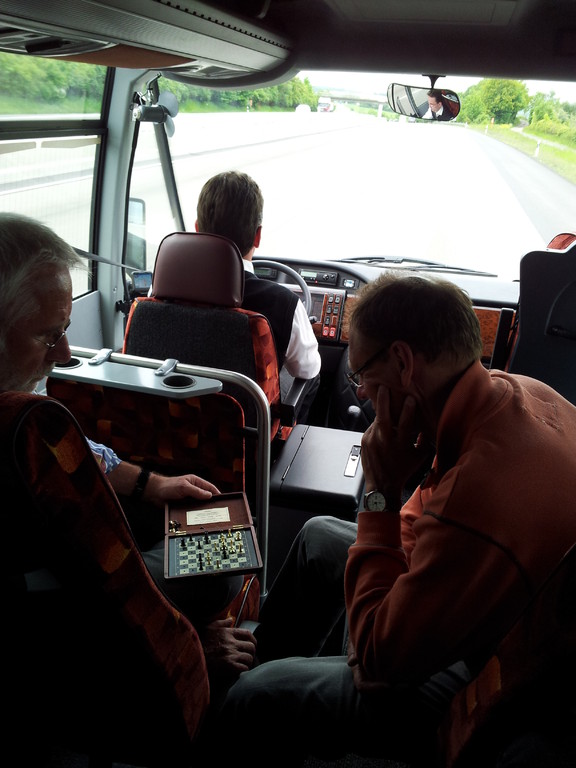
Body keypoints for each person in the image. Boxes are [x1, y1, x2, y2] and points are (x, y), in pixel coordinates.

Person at [198, 272, 576, 767]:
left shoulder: (478, 493)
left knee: (256, 695)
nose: (362, 394)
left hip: (480, 677)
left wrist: (379, 490)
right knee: (317, 537)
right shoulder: (513, 392)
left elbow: (377, 663)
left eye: (362, 374)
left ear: (402, 362)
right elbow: (422, 520)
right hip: (480, 607)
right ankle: (268, 664)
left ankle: (250, 702)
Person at [0, 211, 257, 687]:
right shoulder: (23, 424)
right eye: (47, 336)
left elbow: (77, 454)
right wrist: (180, 643)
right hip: (72, 597)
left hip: (77, 552)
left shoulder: (20, 408)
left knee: (216, 521)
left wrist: (151, 485)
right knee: (223, 552)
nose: (64, 354)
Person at [195, 170, 321, 422]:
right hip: (249, 441)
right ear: (257, 236)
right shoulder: (284, 304)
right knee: (313, 379)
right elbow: (307, 369)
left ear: (197, 229)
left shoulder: (161, 291)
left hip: (174, 432)